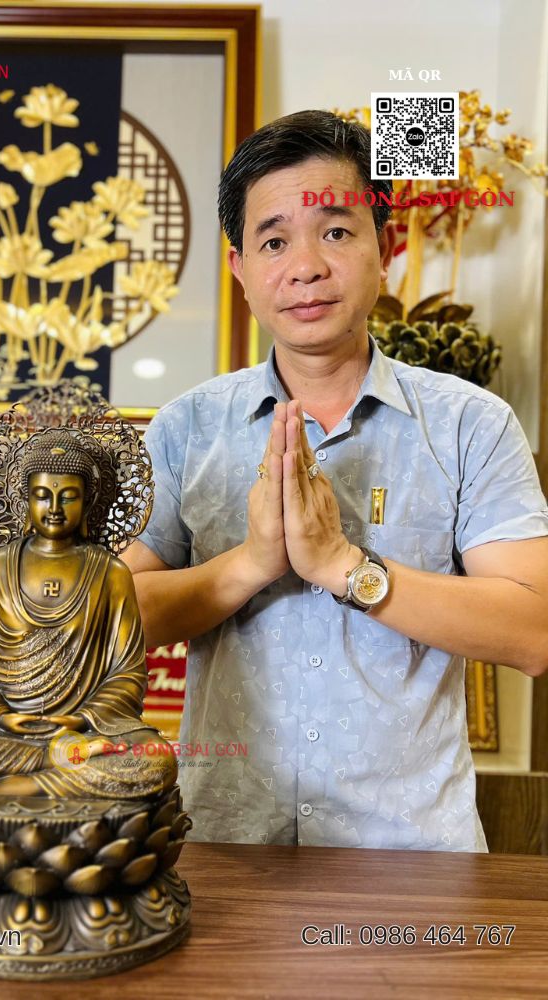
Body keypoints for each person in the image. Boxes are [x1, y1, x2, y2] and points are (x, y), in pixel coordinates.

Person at [121, 110, 548, 851]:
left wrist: (347, 568)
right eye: (274, 241)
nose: (306, 266)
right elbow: (114, 618)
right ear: (240, 270)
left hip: (412, 864)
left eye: (337, 231)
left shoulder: (471, 424)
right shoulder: (185, 427)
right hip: (226, 852)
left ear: (386, 247)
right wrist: (249, 564)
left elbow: (535, 632)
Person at [0, 427, 177, 801]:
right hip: (4, 733)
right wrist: (1, 716)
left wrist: (81, 718)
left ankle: (21, 784)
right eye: (43, 495)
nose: (55, 508)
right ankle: (55, 766)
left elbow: (126, 673)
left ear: (89, 502)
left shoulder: (111, 573)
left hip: (82, 731)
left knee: (154, 760)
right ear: (24, 499)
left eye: (69, 497)